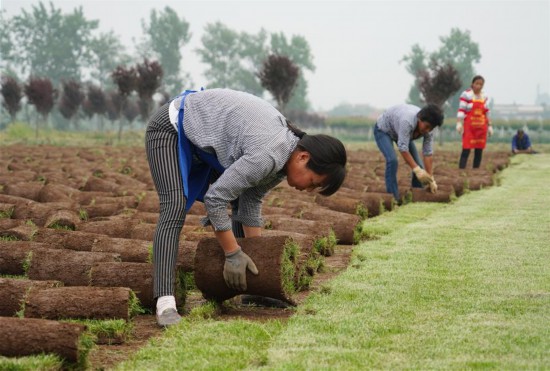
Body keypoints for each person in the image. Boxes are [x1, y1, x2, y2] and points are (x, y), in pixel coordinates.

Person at [145, 88, 347, 326]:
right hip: (171, 128)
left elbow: (250, 201)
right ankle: (165, 304)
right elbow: (216, 198)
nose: (309, 190)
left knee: (241, 198)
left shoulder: (283, 159)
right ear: (303, 157)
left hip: (204, 142)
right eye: (313, 182)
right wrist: (233, 254)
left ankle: (253, 291)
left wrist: (260, 262)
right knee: (174, 206)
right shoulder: (269, 154)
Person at [374, 103, 444, 202]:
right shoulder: (407, 121)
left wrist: (430, 179)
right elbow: (403, 148)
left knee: (419, 164)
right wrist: (416, 170)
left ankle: (417, 195)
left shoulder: (429, 130)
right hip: (384, 130)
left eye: (431, 128)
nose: (427, 130)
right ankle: (393, 199)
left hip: (402, 134)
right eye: (426, 126)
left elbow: (427, 152)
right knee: (392, 160)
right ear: (420, 118)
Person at [456, 75, 493, 169]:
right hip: (470, 128)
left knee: (479, 149)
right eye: (477, 83)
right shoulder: (466, 94)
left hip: (481, 128)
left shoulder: (484, 96)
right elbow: (462, 110)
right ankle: (461, 170)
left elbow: (487, 111)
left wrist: (489, 126)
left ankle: (476, 171)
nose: (479, 86)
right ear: (472, 84)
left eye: (481, 84)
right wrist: (459, 123)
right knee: (466, 149)